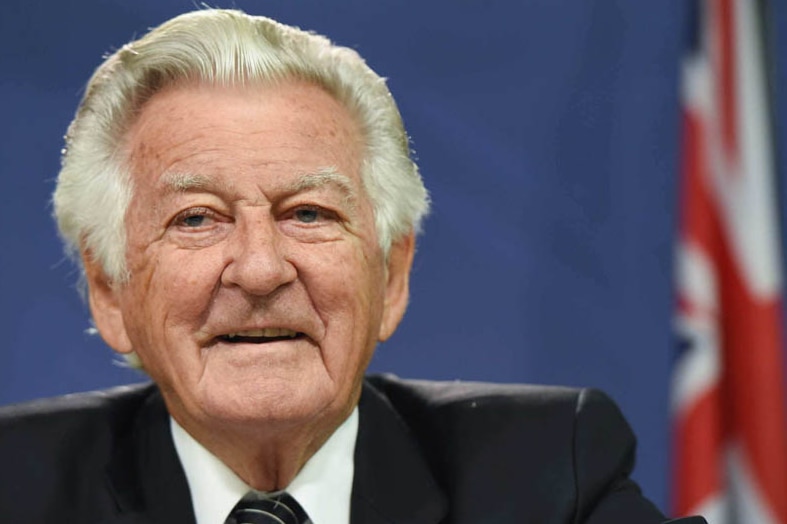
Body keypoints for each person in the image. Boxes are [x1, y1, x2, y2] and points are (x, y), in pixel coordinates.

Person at [0, 8, 705, 524]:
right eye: (196, 219)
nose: (259, 268)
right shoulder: (16, 486)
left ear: (392, 275)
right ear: (109, 289)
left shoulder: (548, 473)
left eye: (307, 214)